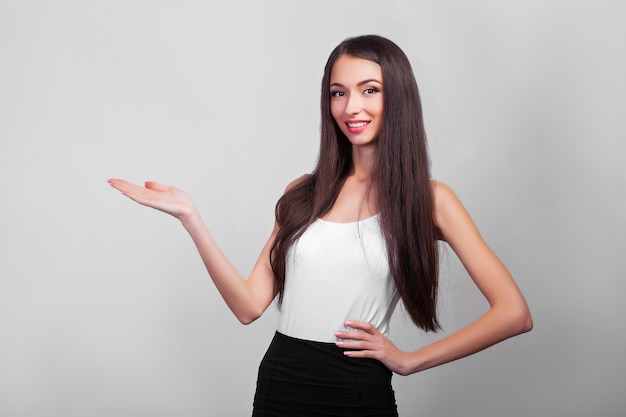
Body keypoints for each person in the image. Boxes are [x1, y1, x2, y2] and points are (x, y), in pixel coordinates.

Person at [109, 35, 532, 417]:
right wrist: (191, 217)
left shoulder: (431, 200)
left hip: (357, 389)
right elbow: (247, 306)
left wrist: (410, 361)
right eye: (338, 93)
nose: (351, 107)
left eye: (370, 90)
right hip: (281, 382)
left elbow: (514, 313)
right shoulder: (303, 193)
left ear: (398, 98)